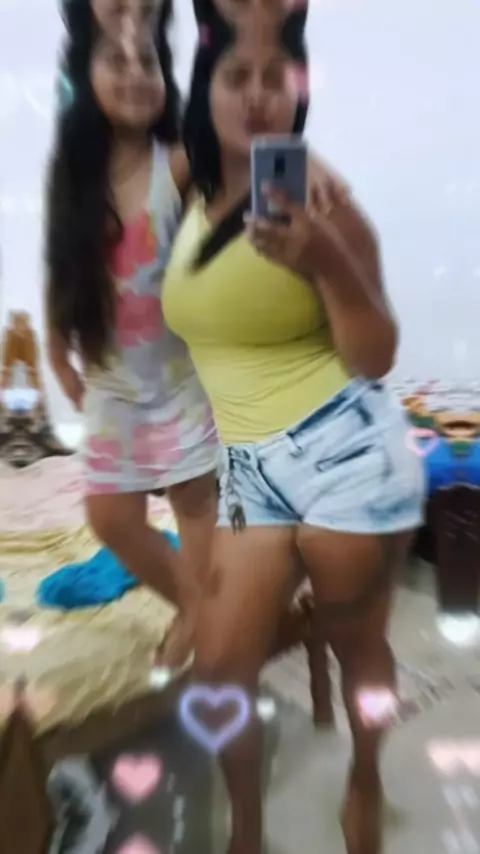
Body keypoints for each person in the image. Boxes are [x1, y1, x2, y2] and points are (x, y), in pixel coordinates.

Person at [162, 16, 426, 854]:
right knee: (218, 672)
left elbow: (376, 355)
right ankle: (246, 830)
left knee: (359, 650)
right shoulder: (188, 192)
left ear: (298, 91)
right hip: (249, 469)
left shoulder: (326, 206)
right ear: (205, 88)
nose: (257, 93)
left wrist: (326, 260)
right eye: (235, 75)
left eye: (276, 76)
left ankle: (366, 777)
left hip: (346, 452)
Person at [44, 0, 219, 668]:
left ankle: (201, 619)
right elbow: (61, 265)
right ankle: (198, 605)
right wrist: (56, 348)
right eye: (115, 60)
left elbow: (232, 195)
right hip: (112, 384)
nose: (135, 74)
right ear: (83, 73)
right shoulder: (73, 178)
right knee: (110, 516)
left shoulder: (177, 164)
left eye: (148, 61)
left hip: (180, 381)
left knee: (194, 503)